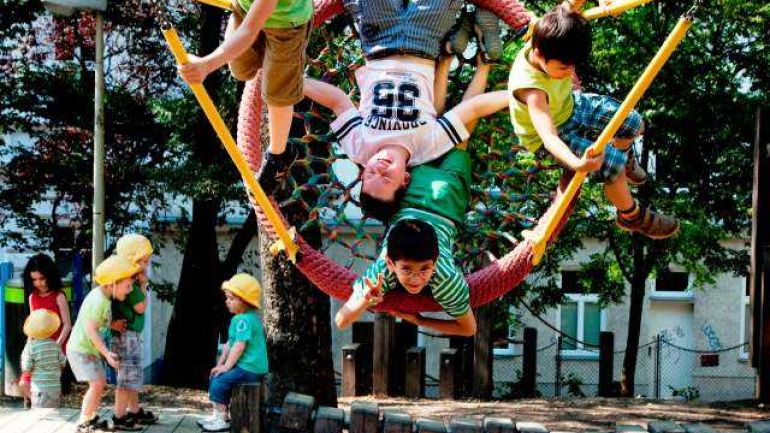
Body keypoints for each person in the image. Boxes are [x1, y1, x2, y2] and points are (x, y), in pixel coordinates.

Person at [334, 57, 507, 336]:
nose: (416, 278)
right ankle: (463, 63)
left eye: (421, 269)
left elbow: (342, 321)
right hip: (440, 198)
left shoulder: (400, 273)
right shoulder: (441, 281)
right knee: (444, 130)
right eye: (413, 269)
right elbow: (469, 328)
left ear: (391, 263)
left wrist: (371, 302)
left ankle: (479, 64)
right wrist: (418, 320)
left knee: (452, 130)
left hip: (441, 197)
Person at [302, 0, 505, 213]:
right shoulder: (427, 147)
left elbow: (337, 101)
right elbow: (471, 109)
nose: (380, 168)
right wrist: (515, 96)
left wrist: (296, 84)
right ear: (405, 179)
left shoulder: (359, 147)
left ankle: (452, 46)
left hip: (378, 39)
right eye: (387, 177)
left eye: (371, 174)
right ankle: (453, 45)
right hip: (424, 41)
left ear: (362, 173)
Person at [507, 0, 679, 238]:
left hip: (572, 106)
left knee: (633, 123)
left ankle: (625, 156)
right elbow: (549, 138)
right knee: (612, 167)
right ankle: (631, 215)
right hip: (551, 135)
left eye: (573, 67)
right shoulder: (531, 89)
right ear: (538, 54)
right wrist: (577, 163)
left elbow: (570, 5)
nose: (569, 73)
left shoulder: (551, 33)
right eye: (563, 68)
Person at [178, 0, 314, 195]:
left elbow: (249, 31)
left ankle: (279, 155)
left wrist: (205, 65)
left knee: (277, 94)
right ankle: (265, 54)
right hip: (245, 9)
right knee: (241, 70)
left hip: (287, 25)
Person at [68, 255, 139, 433]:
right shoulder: (99, 300)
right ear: (112, 283)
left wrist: (112, 324)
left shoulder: (102, 297)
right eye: (127, 286)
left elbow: (95, 321)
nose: (130, 290)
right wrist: (107, 354)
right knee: (98, 383)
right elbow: (91, 330)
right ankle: (84, 421)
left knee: (99, 383)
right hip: (81, 350)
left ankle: (89, 417)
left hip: (86, 349)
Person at [198, 273, 269, 432]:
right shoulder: (240, 318)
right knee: (216, 375)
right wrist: (220, 365)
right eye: (227, 298)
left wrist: (226, 367)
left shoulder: (245, 320)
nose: (226, 301)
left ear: (244, 300)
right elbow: (229, 345)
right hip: (247, 367)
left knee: (219, 381)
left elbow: (239, 346)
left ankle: (221, 419)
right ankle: (219, 414)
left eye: (231, 298)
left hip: (250, 368)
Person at [110, 234, 158, 429]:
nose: (146, 265)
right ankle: (119, 417)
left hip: (128, 335)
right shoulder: (129, 282)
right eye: (143, 261)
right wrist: (143, 285)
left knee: (131, 376)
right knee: (127, 378)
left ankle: (134, 410)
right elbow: (140, 307)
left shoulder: (125, 279)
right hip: (127, 336)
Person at [19, 253, 72, 408]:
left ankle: (42, 406)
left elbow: (67, 325)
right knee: (24, 383)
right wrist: (28, 348)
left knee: (48, 385)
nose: (38, 283)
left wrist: (56, 345)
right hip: (37, 348)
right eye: (34, 280)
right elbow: (33, 327)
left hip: (55, 349)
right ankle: (37, 404)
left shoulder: (59, 296)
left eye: (42, 278)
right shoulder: (32, 297)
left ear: (50, 275)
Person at [20, 309, 67, 408]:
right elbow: (63, 362)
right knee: (54, 412)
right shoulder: (55, 345)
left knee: (41, 415)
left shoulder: (31, 347)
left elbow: (26, 368)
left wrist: (32, 373)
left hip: (39, 390)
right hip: (55, 389)